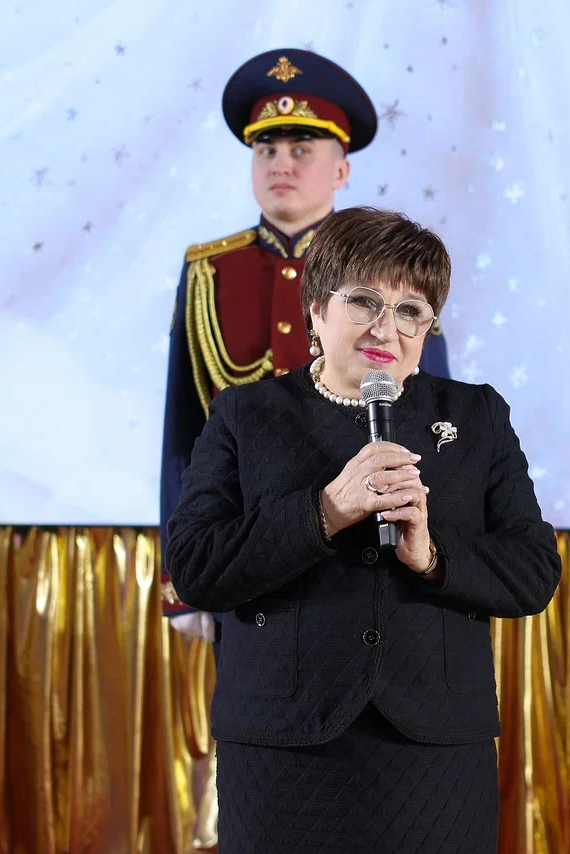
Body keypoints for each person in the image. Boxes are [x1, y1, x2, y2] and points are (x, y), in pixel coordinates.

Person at [164, 206, 561, 852]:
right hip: (282, 747)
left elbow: (534, 573)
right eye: (364, 302)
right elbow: (195, 565)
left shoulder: (476, 415)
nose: (387, 328)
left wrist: (432, 555)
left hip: (434, 756)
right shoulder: (245, 414)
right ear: (317, 311)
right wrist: (324, 512)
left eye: (411, 311)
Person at [160, 49, 451, 640]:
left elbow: (434, 418)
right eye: (266, 150)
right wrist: (180, 578)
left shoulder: (393, 272)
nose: (280, 164)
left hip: (373, 556)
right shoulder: (211, 272)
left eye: (301, 149)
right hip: (247, 560)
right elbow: (183, 437)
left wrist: (431, 550)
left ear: (340, 170)